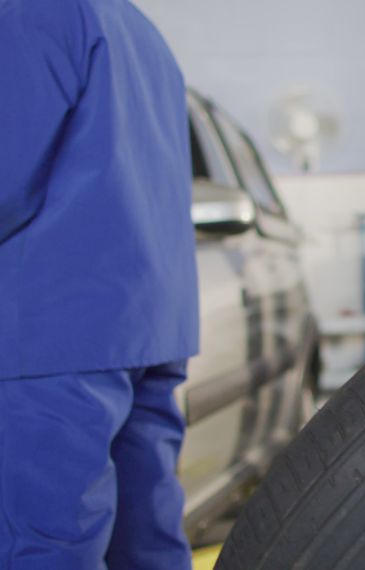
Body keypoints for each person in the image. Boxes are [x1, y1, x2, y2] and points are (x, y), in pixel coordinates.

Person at [0, 0, 198, 568]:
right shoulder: (139, 28)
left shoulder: (26, 13)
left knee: (39, 547)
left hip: (47, 331)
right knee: (145, 545)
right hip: (143, 325)